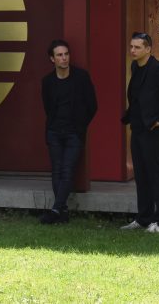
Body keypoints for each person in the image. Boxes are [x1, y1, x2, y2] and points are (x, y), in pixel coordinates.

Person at [120, 31, 159, 233]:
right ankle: (144, 217)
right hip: (138, 127)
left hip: (153, 129)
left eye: (137, 47)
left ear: (148, 49)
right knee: (140, 172)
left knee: (155, 172)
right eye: (131, 46)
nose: (133, 50)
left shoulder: (157, 69)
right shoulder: (135, 67)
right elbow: (138, 95)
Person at [40, 39, 97, 224]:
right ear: (52, 59)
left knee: (67, 169)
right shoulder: (47, 81)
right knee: (56, 170)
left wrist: (80, 126)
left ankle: (56, 209)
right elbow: (47, 106)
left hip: (74, 132)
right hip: (54, 131)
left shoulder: (81, 77)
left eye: (66, 54)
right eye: (59, 55)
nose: (64, 58)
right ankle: (61, 211)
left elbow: (92, 105)